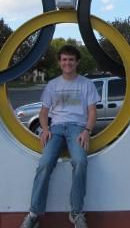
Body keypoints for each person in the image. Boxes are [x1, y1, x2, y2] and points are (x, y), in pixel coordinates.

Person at [20, 45, 100, 228]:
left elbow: (92, 112)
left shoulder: (86, 84)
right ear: (59, 62)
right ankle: (33, 214)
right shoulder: (52, 85)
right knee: (45, 164)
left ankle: (76, 212)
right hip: (55, 129)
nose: (67, 63)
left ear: (77, 62)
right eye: (64, 59)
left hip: (77, 128)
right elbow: (43, 112)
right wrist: (45, 128)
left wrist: (87, 130)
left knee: (80, 162)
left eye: (71, 59)